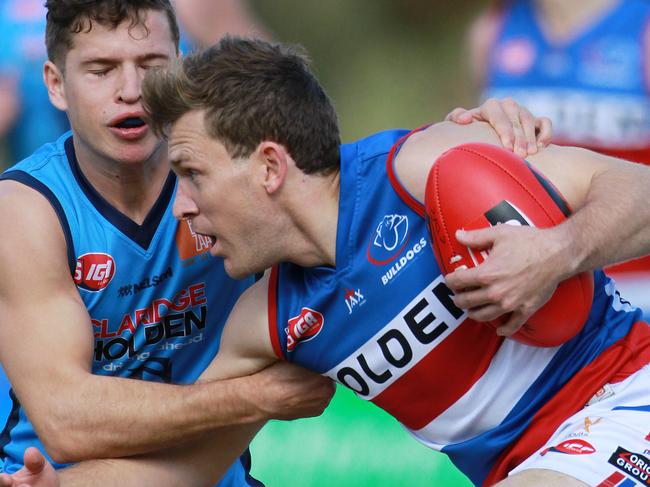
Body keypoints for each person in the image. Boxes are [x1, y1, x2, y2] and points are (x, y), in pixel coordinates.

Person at [8, 37, 650, 487]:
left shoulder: (423, 170)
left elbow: (637, 190)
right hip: (529, 466)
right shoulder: (266, 322)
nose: (183, 207)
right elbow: (187, 468)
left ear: (267, 167)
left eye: (193, 175)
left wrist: (556, 251)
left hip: (627, 395)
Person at [0, 2, 336, 485]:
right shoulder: (27, 209)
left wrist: (482, 147)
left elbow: (361, 203)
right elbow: (66, 422)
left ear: (178, 68)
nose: (131, 92)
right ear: (55, 84)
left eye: (151, 66)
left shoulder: (245, 174)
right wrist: (258, 396)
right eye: (101, 70)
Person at [468, 0, 650, 319]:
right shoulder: (492, 31)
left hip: (638, 300)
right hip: (541, 305)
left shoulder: (641, 25)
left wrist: (563, 250)